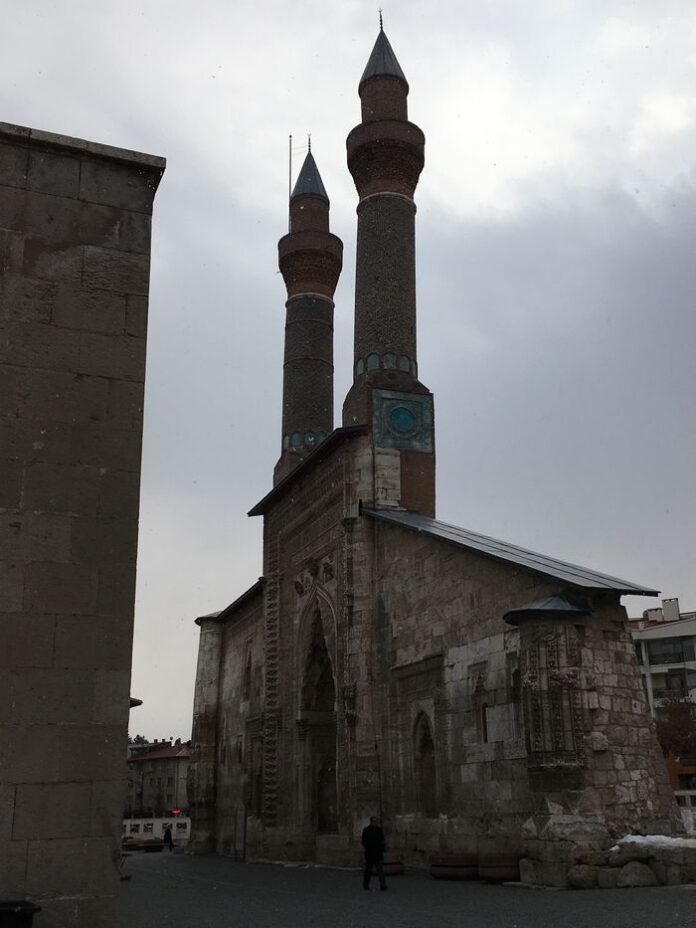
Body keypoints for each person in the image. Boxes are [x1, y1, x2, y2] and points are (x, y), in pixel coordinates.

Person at [361, 816, 387, 891]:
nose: (375, 823)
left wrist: (381, 848)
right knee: (368, 871)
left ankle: (383, 885)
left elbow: (382, 840)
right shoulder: (366, 830)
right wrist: (369, 847)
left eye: (376, 821)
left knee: (380, 870)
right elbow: (364, 841)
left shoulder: (379, 830)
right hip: (370, 854)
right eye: (374, 821)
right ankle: (366, 884)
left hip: (378, 854)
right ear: (371, 822)